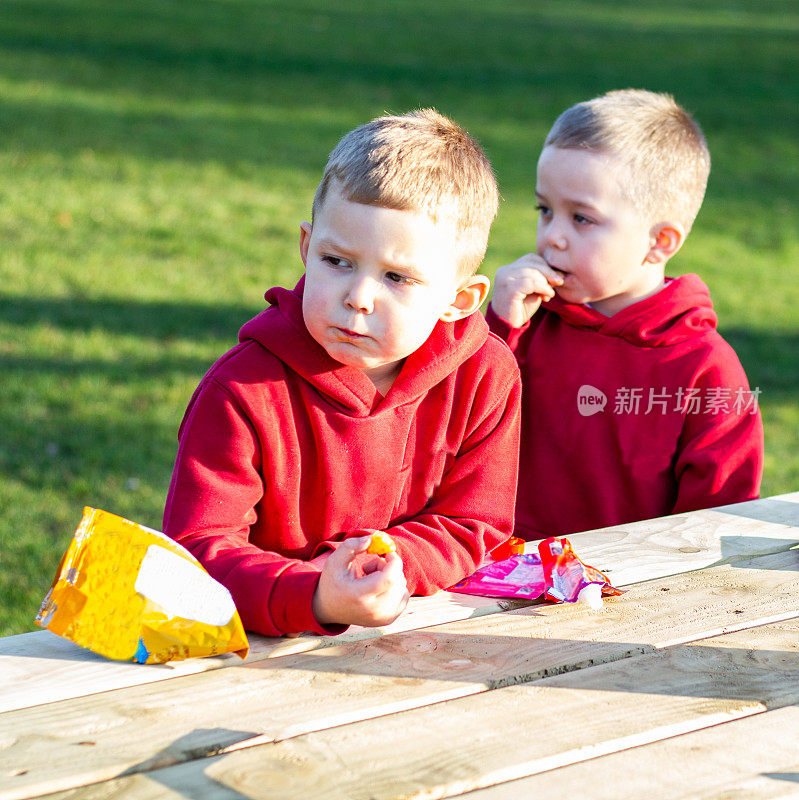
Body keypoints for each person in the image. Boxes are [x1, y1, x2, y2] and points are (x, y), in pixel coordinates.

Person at [163, 109, 521, 637]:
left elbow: (475, 524)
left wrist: (384, 561)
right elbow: (195, 552)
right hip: (257, 648)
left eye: (397, 277)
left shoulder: (485, 375)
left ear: (459, 300)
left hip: (420, 644)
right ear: (307, 247)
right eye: (337, 261)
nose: (358, 298)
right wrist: (316, 592)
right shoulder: (241, 390)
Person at [487, 89, 763, 539]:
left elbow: (717, 523)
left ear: (660, 242)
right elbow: (448, 430)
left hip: (635, 596)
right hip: (498, 575)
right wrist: (499, 327)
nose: (552, 236)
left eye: (582, 219)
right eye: (545, 210)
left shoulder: (706, 371)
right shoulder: (528, 323)